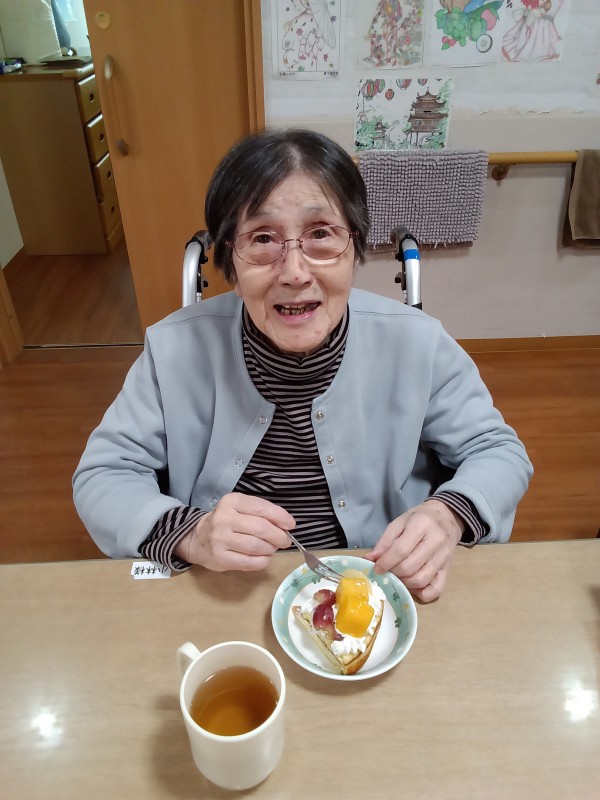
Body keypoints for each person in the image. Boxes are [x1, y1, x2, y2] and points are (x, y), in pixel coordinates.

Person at [72, 128, 533, 602]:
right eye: (263, 238)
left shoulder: (418, 343)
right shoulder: (172, 349)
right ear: (230, 261)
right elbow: (103, 475)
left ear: (354, 249)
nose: (294, 273)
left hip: (375, 583)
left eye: (321, 234)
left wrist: (447, 515)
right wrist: (191, 533)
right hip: (227, 587)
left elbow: (498, 451)